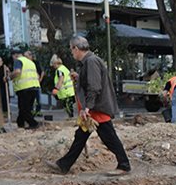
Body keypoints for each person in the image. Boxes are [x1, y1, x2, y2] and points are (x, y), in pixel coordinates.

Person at [47, 34, 130, 175]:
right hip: (94, 108)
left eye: (71, 49)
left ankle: (124, 165)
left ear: (76, 48)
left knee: (109, 137)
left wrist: (87, 107)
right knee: (81, 136)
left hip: (97, 109)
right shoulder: (90, 61)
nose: (71, 52)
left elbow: (94, 87)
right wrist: (79, 78)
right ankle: (64, 164)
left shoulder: (90, 61)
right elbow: (92, 81)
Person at [7, 47, 40, 130]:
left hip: (24, 88)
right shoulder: (30, 62)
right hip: (34, 87)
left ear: (15, 55)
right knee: (26, 108)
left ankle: (33, 123)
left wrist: (9, 77)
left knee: (24, 109)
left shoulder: (18, 61)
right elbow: (37, 75)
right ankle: (20, 123)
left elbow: (17, 72)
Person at [25, 50, 45, 116]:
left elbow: (42, 72)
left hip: (36, 84)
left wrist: (40, 80)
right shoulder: (25, 63)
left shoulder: (35, 63)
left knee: (38, 99)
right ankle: (31, 112)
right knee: (31, 99)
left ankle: (38, 111)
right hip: (29, 84)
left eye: (26, 56)